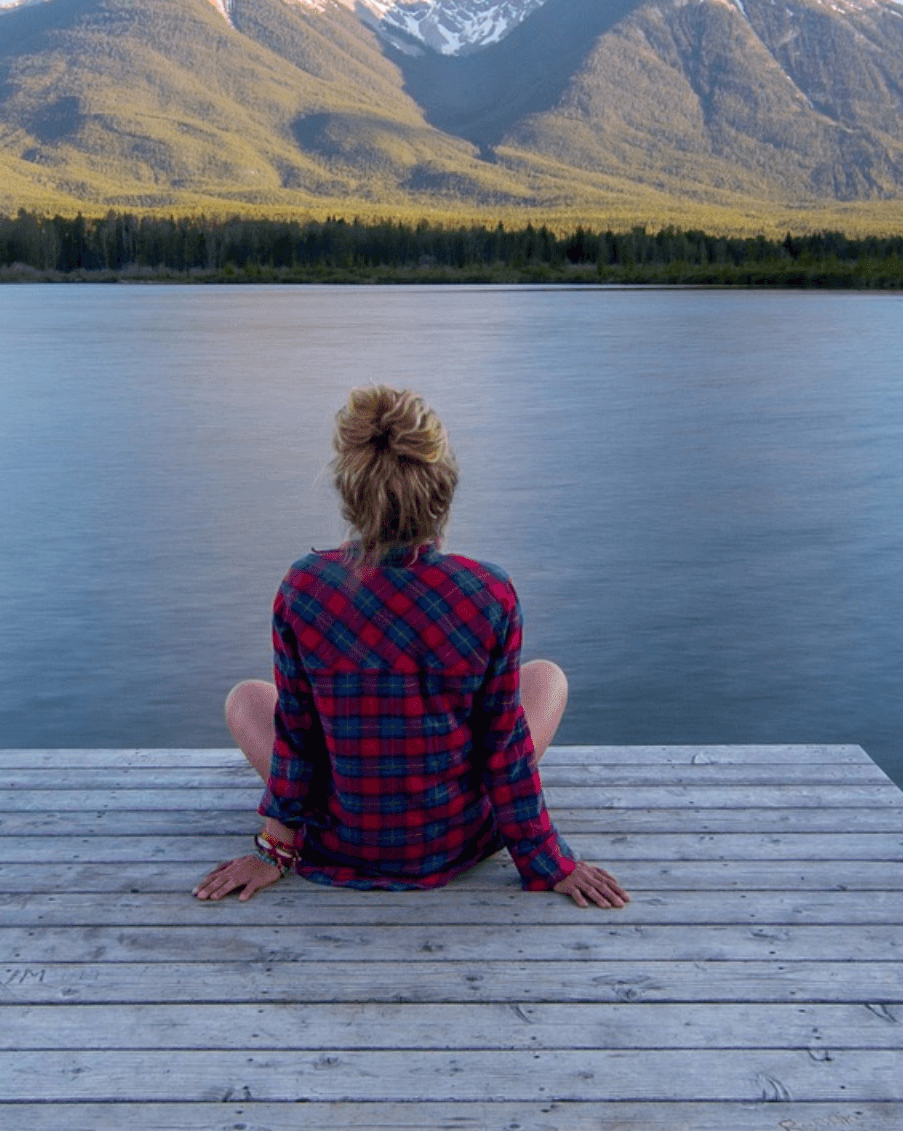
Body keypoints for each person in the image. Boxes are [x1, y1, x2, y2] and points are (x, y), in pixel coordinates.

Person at [195, 385, 628, 910]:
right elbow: (504, 748)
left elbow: (297, 737)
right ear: (442, 487)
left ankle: (312, 831)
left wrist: (273, 852)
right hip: (452, 842)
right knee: (547, 679)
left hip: (340, 840)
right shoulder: (488, 594)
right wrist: (547, 861)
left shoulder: (304, 588)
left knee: (247, 699)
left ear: (351, 492)